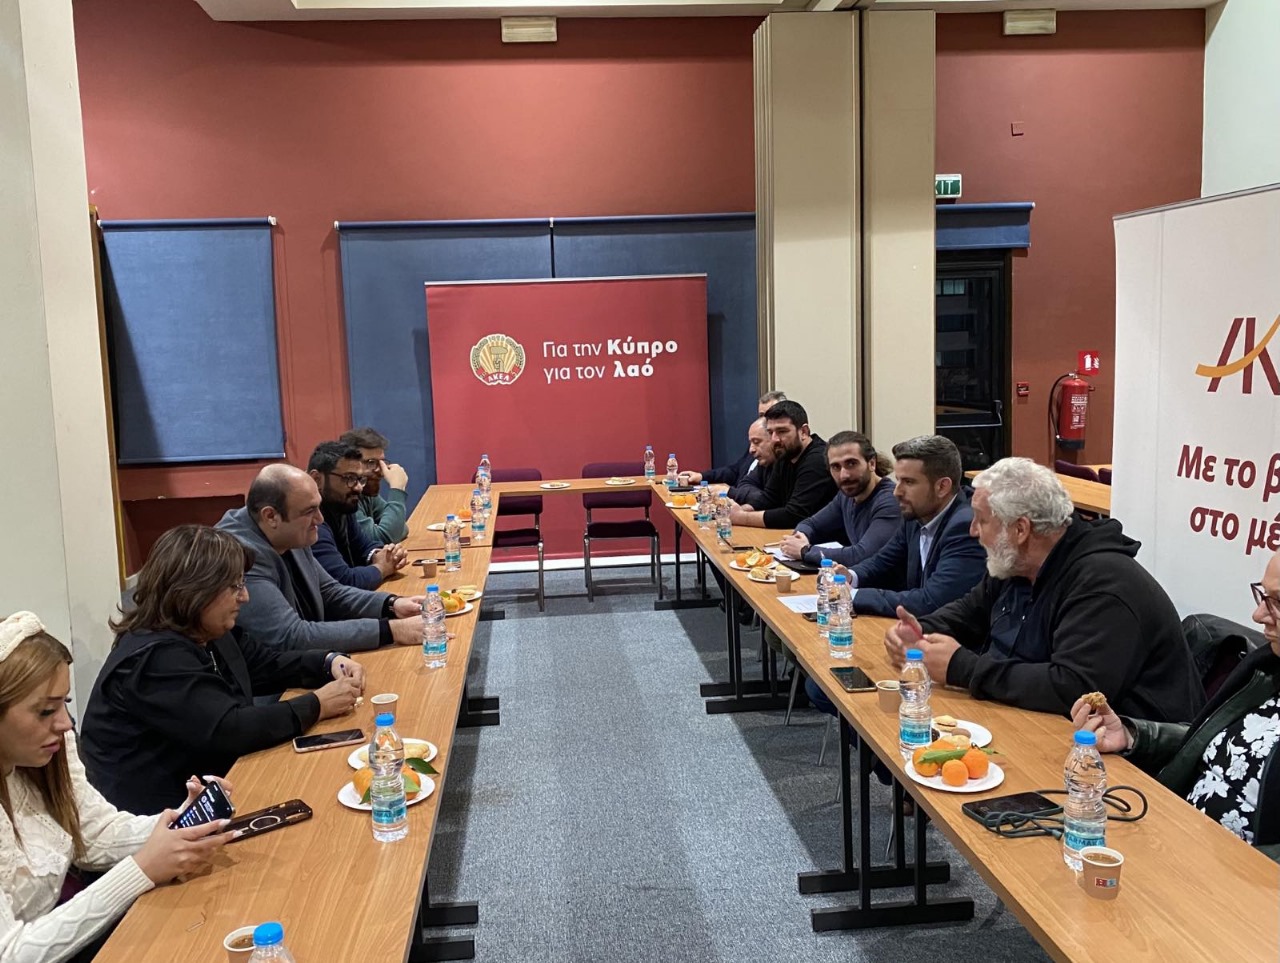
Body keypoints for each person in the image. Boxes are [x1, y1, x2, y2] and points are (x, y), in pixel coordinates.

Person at [886, 457, 1202, 722]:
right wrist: (918, 630)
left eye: (981, 520)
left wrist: (962, 668)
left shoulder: (1103, 585)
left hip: (1126, 759)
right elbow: (969, 612)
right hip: (1033, 724)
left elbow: (1073, 688)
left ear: (1020, 529)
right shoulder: (1016, 563)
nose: (972, 531)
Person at [79, 525, 366, 815]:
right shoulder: (154, 658)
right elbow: (229, 729)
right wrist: (318, 704)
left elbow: (265, 664)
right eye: (235, 587)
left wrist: (328, 662)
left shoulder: (204, 628)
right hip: (159, 819)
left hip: (211, 793)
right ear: (196, 591)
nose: (245, 597)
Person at [0, 612, 231, 963]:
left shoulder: (47, 752)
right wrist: (141, 870)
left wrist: (180, 823)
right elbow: (12, 954)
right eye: (45, 711)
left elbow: (93, 834)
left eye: (64, 704)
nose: (64, 724)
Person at [1071, 552, 1280, 861]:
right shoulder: (1266, 668)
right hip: (1171, 834)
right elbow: (1209, 739)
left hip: (1238, 877)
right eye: (1263, 596)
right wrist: (1131, 736)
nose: (1258, 615)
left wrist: (1240, 870)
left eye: (1277, 603)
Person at [217, 464, 425, 651]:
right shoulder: (238, 554)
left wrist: (392, 604)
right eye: (310, 511)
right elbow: (290, 636)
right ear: (271, 516)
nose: (320, 519)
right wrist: (391, 630)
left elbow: (330, 592)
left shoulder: (288, 531)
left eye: (318, 506)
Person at [841, 434, 986, 617]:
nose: (897, 492)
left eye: (908, 482)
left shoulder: (966, 527)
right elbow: (884, 561)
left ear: (942, 487)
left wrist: (854, 595)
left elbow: (932, 601)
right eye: (898, 480)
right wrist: (850, 576)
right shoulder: (918, 514)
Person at [779, 430, 900, 567]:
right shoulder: (846, 495)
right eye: (836, 467)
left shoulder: (890, 501)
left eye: (851, 463)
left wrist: (805, 551)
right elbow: (811, 524)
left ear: (872, 463)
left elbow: (862, 555)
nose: (844, 475)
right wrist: (800, 537)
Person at [309, 441, 407, 590]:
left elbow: (364, 546)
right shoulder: (311, 521)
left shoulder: (342, 506)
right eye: (349, 478)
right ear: (317, 479)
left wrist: (384, 554)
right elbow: (344, 581)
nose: (358, 487)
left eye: (360, 479)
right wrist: (382, 567)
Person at [728, 400, 836, 529]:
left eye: (782, 431)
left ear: (804, 431)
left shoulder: (818, 459)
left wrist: (741, 517)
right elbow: (769, 498)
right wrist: (738, 510)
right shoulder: (785, 454)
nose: (775, 439)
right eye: (770, 432)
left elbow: (795, 515)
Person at [679, 391, 786, 487]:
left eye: (770, 415)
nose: (765, 420)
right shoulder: (756, 443)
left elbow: (764, 496)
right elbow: (736, 471)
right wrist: (701, 476)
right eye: (761, 415)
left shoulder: (779, 453)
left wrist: (732, 493)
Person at [339, 427, 409, 544]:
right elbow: (382, 538)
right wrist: (397, 489)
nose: (379, 470)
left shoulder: (366, 493)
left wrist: (391, 531)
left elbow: (400, 528)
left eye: (381, 463)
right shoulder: (344, 497)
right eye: (371, 463)